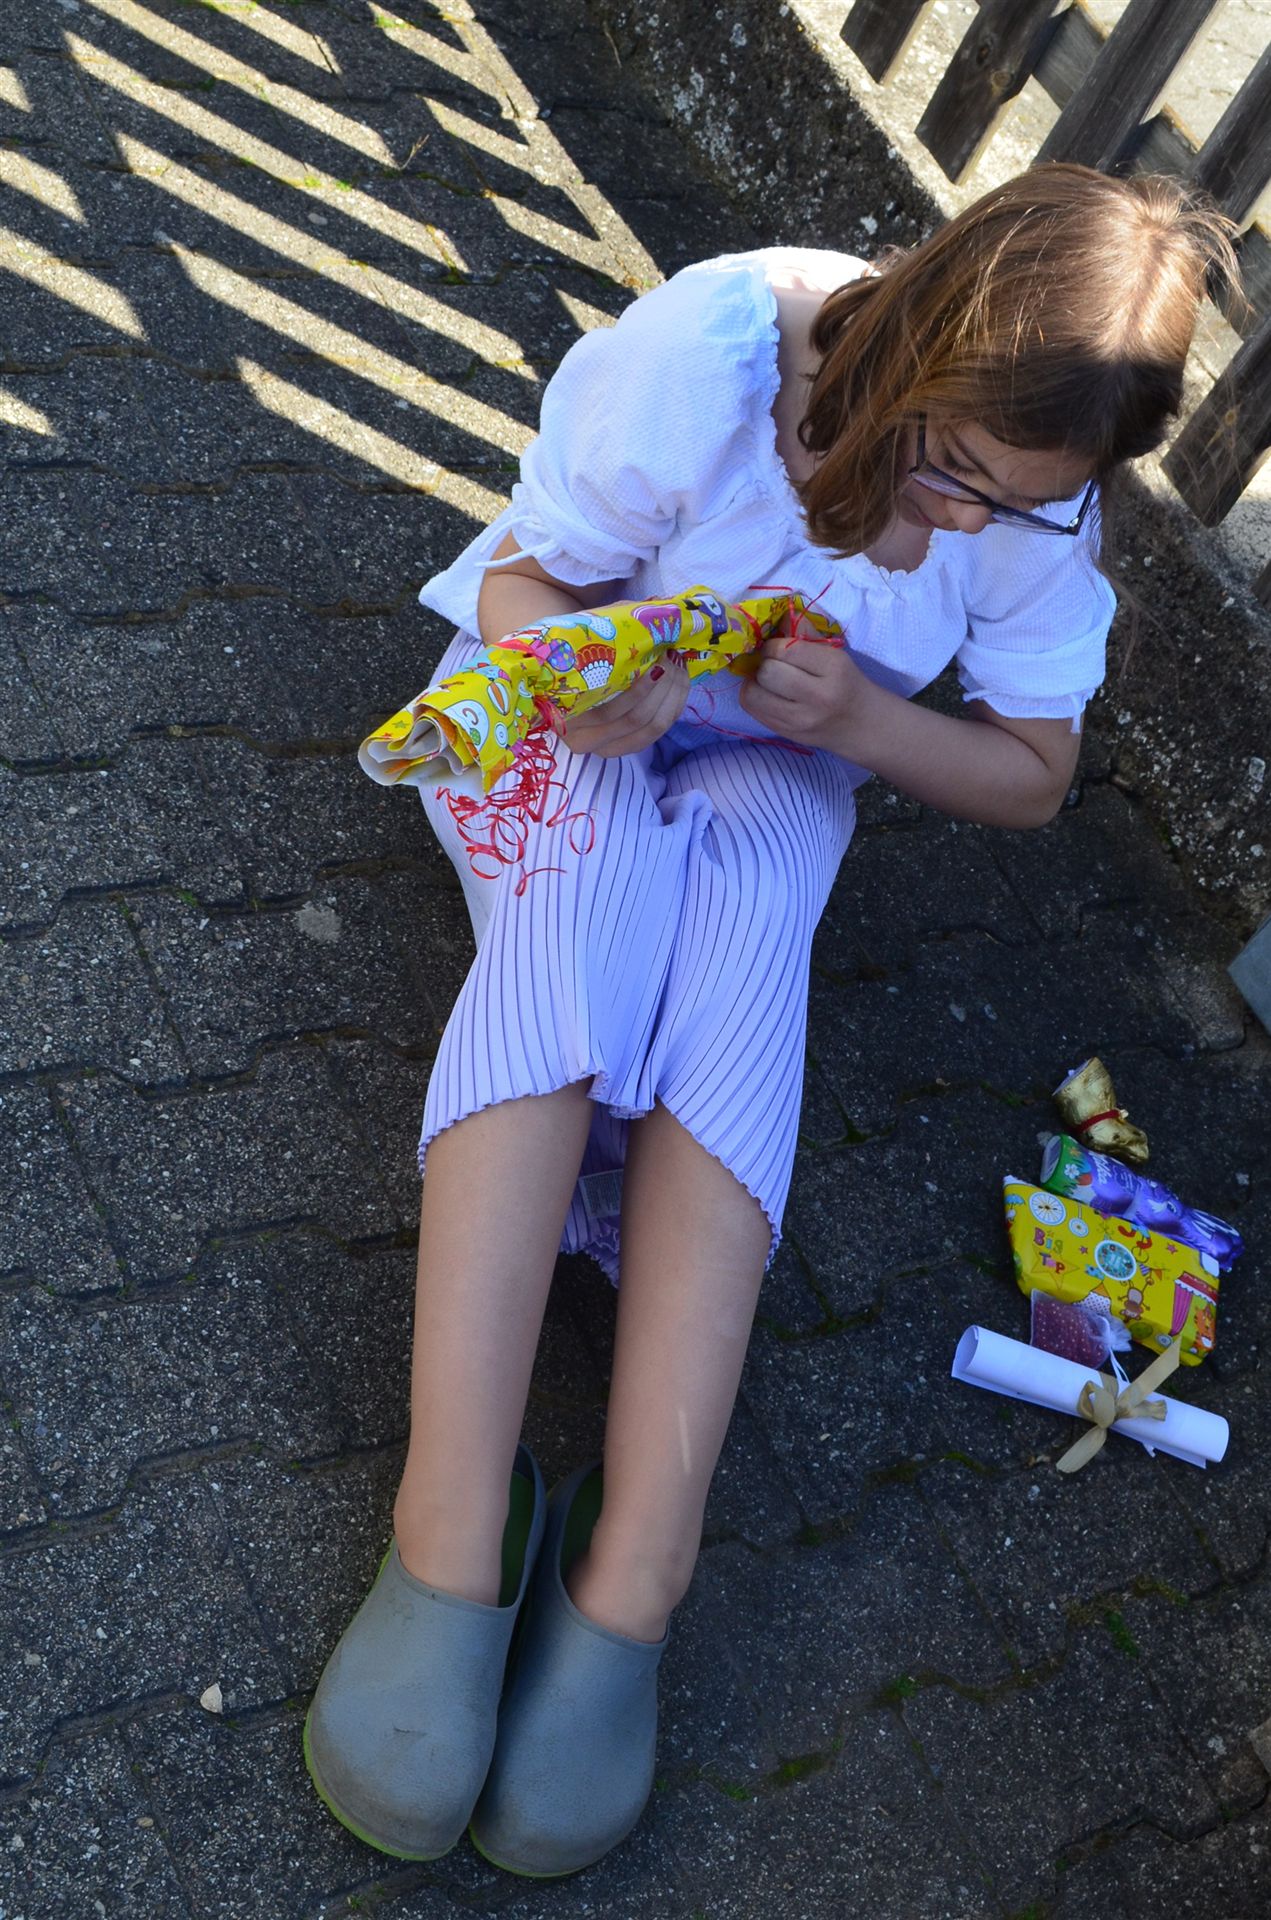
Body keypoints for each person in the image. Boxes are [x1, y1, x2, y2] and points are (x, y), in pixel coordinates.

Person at [304, 164, 1237, 1876]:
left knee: (745, 952)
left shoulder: (1038, 509)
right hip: (565, 716)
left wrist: (864, 725)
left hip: (781, 767)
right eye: (953, 467)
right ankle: (449, 1522)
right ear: (921, 335)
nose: (963, 523)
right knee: (584, 902)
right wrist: (595, 680)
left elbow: (1036, 773)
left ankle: (639, 1569)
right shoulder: (714, 357)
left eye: (1020, 504)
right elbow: (520, 587)